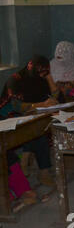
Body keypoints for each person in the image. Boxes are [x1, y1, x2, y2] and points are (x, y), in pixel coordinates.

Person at [0, 55, 61, 187]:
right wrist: (41, 105)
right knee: (35, 128)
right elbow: (16, 106)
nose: (42, 75)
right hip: (9, 115)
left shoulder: (40, 79)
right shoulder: (15, 80)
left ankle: (32, 161)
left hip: (31, 113)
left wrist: (49, 79)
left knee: (40, 126)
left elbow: (57, 98)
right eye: (41, 72)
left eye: (45, 72)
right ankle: (41, 169)